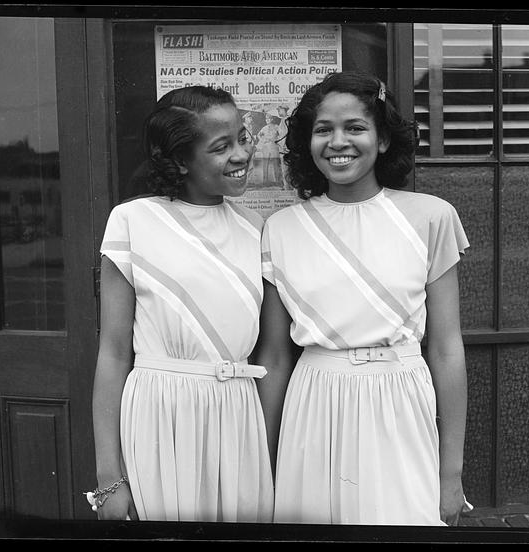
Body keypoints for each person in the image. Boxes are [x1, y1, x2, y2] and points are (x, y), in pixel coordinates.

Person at [255, 71, 470, 526]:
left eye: (355, 127)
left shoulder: (431, 218)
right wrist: (265, 462)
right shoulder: (281, 228)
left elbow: (447, 349)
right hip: (313, 399)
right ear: (306, 144)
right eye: (323, 130)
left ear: (384, 139)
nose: (338, 142)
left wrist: (451, 474)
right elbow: (274, 355)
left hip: (401, 397)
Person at [89, 85, 273, 522]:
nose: (242, 154)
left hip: (239, 412)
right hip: (161, 412)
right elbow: (114, 354)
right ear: (179, 159)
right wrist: (109, 479)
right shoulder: (133, 220)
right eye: (221, 146)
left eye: (243, 138)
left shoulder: (257, 227)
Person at [255, 113, 282, 187]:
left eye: (269, 119)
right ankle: (265, 182)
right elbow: (258, 135)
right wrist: (263, 140)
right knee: (265, 164)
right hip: (266, 147)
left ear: (272, 119)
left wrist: (277, 140)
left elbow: (281, 135)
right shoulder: (264, 128)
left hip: (274, 147)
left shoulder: (276, 127)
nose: (267, 120)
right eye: (266, 119)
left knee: (276, 164)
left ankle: (278, 181)